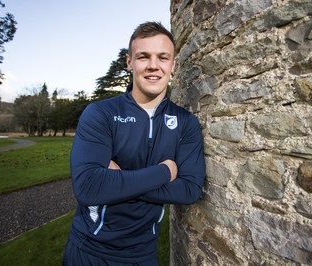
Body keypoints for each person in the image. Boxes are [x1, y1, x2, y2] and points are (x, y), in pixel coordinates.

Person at [63, 21, 206, 266]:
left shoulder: (185, 122)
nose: (153, 65)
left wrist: (118, 181)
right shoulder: (100, 113)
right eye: (143, 57)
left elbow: (189, 189)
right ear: (129, 62)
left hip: (142, 255)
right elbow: (88, 186)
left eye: (163, 57)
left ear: (173, 65)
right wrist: (165, 172)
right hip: (88, 251)